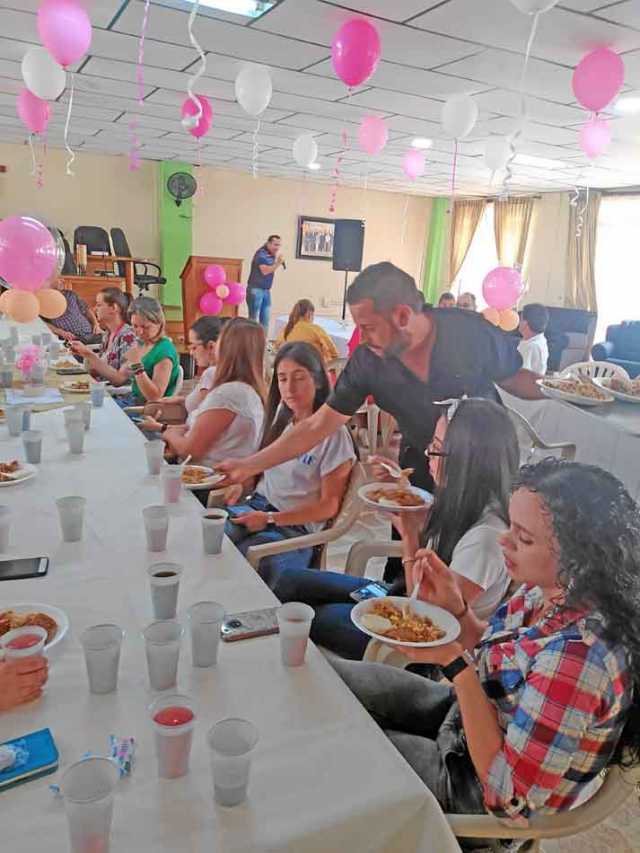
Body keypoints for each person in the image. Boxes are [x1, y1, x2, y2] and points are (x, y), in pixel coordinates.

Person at [332, 459, 640, 826]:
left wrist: (456, 666)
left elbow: (510, 798)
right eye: (511, 526)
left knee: (349, 749)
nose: (503, 540)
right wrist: (458, 611)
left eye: (524, 538)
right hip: (472, 719)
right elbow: (502, 655)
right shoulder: (549, 590)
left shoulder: (579, 659)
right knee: (333, 682)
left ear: (581, 558)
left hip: (479, 791)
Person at [218, 262, 541, 529]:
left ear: (402, 316)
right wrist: (250, 464)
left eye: (368, 327)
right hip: (421, 464)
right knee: (413, 554)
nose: (363, 336)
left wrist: (565, 395)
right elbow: (317, 427)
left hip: (484, 462)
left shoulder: (468, 332)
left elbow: (514, 379)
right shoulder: (368, 363)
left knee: (478, 558)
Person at [273, 398, 516, 660]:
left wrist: (409, 536)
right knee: (289, 582)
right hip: (400, 595)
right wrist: (400, 490)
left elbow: (427, 616)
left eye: (435, 448)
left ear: (467, 461)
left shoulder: (485, 539)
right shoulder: (464, 500)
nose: (428, 456)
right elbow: (432, 539)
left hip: (417, 643)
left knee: (306, 616)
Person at [225, 341, 355, 587]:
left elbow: (328, 507)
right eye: (282, 379)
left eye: (299, 378)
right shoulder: (281, 420)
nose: (289, 388)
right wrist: (241, 487)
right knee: (211, 537)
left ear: (318, 380)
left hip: (293, 528)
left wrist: (271, 519)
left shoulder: (333, 435)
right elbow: (260, 473)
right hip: (256, 508)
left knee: (259, 566)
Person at [160, 318, 265, 470]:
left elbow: (190, 450)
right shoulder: (250, 389)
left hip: (205, 480)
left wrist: (169, 434)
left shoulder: (229, 393)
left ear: (225, 347)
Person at [110, 296, 180, 408]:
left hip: (145, 410)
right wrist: (89, 355)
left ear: (159, 323)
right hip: (131, 400)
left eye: (146, 327)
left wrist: (137, 365)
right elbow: (118, 379)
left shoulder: (164, 351)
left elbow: (155, 397)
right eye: (135, 326)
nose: (139, 332)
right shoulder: (142, 343)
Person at [69, 287, 136, 381]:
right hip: (99, 386)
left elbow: (122, 380)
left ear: (113, 308)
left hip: (114, 393)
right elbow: (101, 368)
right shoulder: (108, 334)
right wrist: (84, 356)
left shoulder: (128, 337)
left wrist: (89, 354)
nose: (94, 308)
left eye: (99, 305)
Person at [277, 299, 339, 365]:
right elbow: (334, 353)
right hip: (313, 369)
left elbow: (277, 347)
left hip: (291, 368)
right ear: (309, 314)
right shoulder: (316, 329)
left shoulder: (287, 329)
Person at [44, 277, 102, 344]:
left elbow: (87, 309)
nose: (63, 280)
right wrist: (60, 332)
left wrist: (96, 324)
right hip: (72, 339)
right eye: (59, 279)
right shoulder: (45, 301)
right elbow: (44, 323)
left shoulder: (71, 294)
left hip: (92, 334)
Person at [246, 234, 285, 331]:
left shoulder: (271, 254)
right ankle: (251, 343)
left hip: (266, 290)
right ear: (268, 243)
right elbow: (265, 271)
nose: (277, 248)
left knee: (265, 319)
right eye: (275, 245)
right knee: (253, 320)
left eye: (279, 245)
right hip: (255, 290)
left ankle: (263, 343)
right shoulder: (261, 254)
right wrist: (278, 263)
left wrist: (277, 261)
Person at [518, 303, 549, 375]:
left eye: (520, 319)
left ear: (525, 323)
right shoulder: (540, 339)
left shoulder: (531, 347)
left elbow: (521, 376)